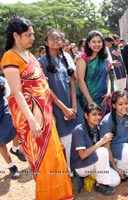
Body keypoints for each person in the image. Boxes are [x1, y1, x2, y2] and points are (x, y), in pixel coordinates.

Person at [1, 17, 73, 199]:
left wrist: (53, 111)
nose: (33, 38)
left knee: (55, 157)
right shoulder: (10, 57)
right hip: (31, 119)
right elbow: (17, 92)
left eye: (33, 34)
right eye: (28, 35)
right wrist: (33, 122)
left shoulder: (30, 56)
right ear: (16, 36)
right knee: (44, 162)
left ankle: (60, 195)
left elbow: (43, 86)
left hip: (46, 115)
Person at [38, 29, 84, 171]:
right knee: (67, 140)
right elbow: (46, 89)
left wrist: (74, 107)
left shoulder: (65, 59)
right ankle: (70, 172)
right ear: (46, 42)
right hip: (57, 108)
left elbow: (71, 83)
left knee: (80, 135)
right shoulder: (41, 62)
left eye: (59, 38)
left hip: (73, 105)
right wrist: (64, 108)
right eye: (52, 38)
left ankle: (82, 167)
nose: (56, 40)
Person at [70, 102, 120, 196]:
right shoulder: (79, 130)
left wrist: (114, 166)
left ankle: (94, 176)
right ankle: (100, 184)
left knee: (115, 181)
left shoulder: (96, 128)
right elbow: (83, 155)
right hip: (81, 166)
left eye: (99, 114)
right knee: (102, 151)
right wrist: (101, 142)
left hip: (92, 162)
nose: (98, 117)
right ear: (85, 115)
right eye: (94, 114)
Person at [76, 30, 111, 116]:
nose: (97, 44)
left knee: (104, 125)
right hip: (87, 98)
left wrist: (108, 92)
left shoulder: (104, 59)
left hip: (103, 99)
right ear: (88, 43)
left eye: (99, 42)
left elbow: (107, 77)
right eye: (94, 42)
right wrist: (90, 101)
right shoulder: (83, 58)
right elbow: (80, 80)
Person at [0, 76, 26, 179]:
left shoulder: (1, 80)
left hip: (4, 111)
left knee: (16, 129)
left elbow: (8, 95)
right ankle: (11, 167)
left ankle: (15, 149)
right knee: (1, 144)